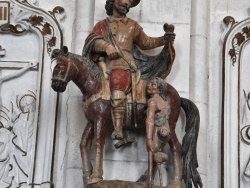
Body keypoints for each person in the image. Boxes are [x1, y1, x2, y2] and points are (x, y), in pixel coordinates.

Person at [83, 0, 168, 140]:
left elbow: (146, 42)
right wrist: (105, 46)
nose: (126, 3)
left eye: (129, 1)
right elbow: (92, 41)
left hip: (124, 63)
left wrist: (164, 39)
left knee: (118, 78)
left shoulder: (132, 25)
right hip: (104, 64)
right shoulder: (102, 25)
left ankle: (118, 128)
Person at [146, 78, 171, 188]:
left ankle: (150, 183)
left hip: (157, 130)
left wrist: (149, 139)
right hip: (165, 130)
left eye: (153, 84)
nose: (149, 85)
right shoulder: (164, 101)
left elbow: (150, 120)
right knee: (156, 153)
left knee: (151, 154)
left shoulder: (152, 101)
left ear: (159, 89)